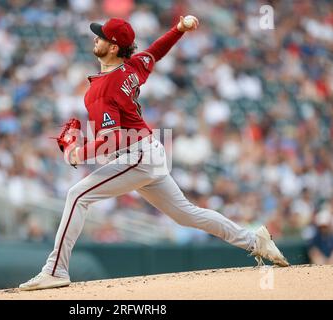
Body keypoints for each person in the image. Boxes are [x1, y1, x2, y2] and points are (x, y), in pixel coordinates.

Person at [19, 15, 289, 291]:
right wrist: (179, 29)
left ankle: (55, 270)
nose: (95, 38)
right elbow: (155, 53)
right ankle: (255, 242)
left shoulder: (103, 88)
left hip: (136, 156)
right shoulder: (133, 67)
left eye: (100, 36)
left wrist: (76, 154)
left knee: (77, 196)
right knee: (187, 214)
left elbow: (109, 139)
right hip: (148, 152)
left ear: (113, 47)